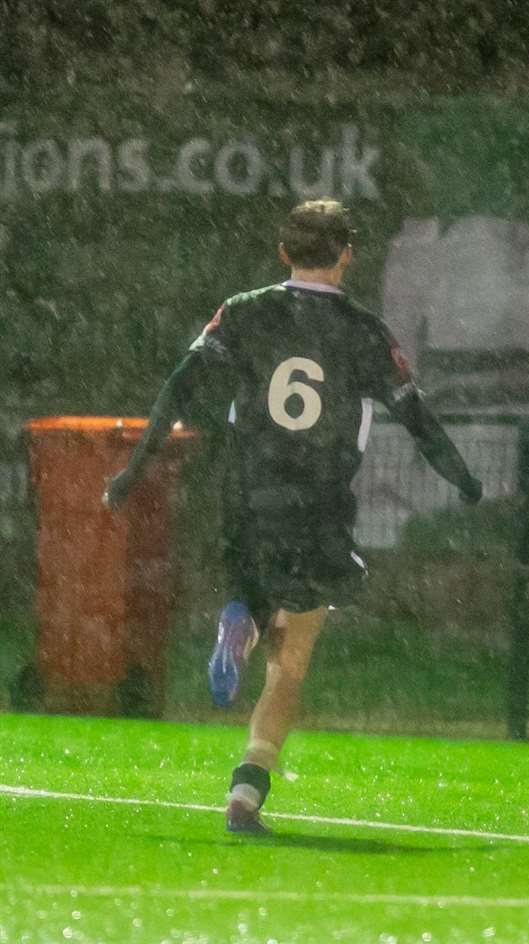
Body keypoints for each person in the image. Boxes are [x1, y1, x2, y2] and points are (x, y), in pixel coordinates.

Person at [104, 198, 484, 834]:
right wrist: (464, 480)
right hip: (318, 504)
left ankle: (244, 621)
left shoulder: (246, 312)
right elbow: (415, 416)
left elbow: (180, 384)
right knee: (296, 656)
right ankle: (247, 788)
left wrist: (134, 470)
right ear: (346, 256)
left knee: (255, 588)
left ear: (283, 253)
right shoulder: (364, 331)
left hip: (248, 494)